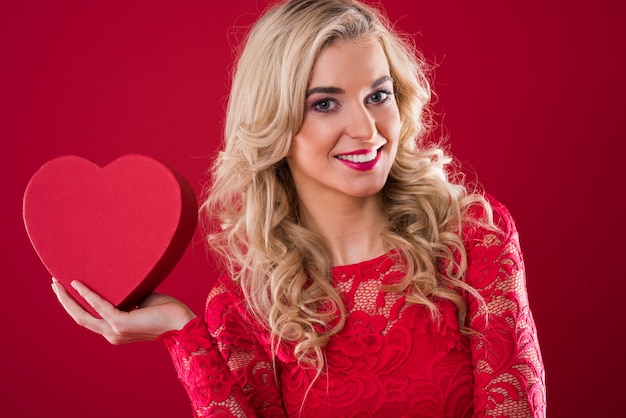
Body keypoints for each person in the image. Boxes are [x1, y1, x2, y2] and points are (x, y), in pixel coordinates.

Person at [52, 0, 546, 416]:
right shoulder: (245, 306)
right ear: (275, 123)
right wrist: (180, 333)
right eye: (325, 104)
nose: (368, 130)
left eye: (378, 95)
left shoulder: (473, 237)